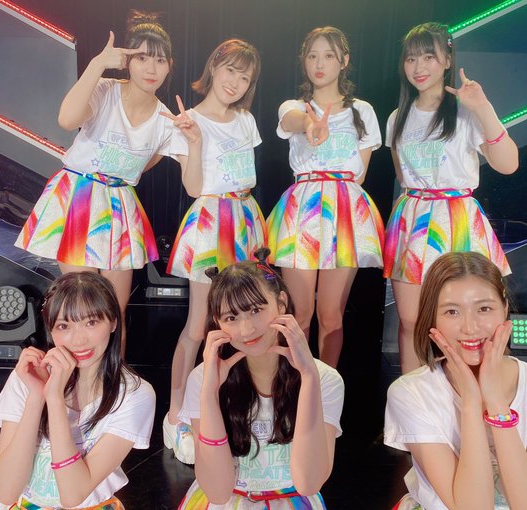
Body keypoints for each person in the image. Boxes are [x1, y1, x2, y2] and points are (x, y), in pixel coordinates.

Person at [15, 11, 174, 358]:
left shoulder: (167, 121)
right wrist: (98, 64)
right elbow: (67, 118)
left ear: (169, 66)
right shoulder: (105, 90)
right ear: (127, 61)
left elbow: (143, 165)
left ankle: (111, 383)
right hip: (79, 197)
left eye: (159, 60)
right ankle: (73, 384)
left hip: (119, 204)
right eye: (142, 57)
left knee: (114, 313)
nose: (150, 68)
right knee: (80, 308)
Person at [384, 251, 527, 510]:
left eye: (484, 309)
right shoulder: (411, 393)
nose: (470, 327)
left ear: (505, 309)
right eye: (451, 311)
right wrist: (471, 403)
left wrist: (496, 403)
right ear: (432, 318)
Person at [383, 22, 519, 374]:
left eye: (429, 57)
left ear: (447, 60)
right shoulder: (397, 117)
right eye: (411, 58)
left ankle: (473, 395)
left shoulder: (466, 110)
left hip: (457, 217)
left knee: (467, 322)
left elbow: (508, 164)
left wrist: (483, 107)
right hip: (413, 218)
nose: (419, 67)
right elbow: (401, 174)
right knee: (411, 322)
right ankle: (412, 398)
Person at [160, 38, 266, 464]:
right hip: (209, 221)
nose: (235, 82)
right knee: (199, 325)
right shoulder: (189, 120)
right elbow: (192, 188)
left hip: (246, 218)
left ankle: (231, 409)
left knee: (246, 320)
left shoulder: (246, 120)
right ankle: (176, 416)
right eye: (231, 71)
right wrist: (195, 140)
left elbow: (247, 176)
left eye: (245, 77)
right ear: (214, 67)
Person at [177, 248, 344, 508]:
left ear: (281, 303)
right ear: (217, 324)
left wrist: (309, 378)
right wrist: (209, 395)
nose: (246, 329)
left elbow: (308, 482)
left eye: (256, 310)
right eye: (231, 317)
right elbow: (218, 493)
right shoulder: (203, 379)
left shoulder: (325, 379)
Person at [0, 272, 156, 509]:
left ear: (113, 322)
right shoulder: (28, 377)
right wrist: (36, 397)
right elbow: (5, 492)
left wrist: (53, 399)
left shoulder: (134, 394)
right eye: (64, 326)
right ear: (50, 330)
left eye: (91, 322)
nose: (78, 340)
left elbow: (73, 495)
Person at [266, 26, 385, 368]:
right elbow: (291, 120)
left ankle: (328, 388)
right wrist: (309, 124)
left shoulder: (363, 111)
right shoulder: (294, 106)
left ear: (344, 61)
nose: (319, 64)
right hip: (302, 210)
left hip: (345, 212)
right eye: (312, 56)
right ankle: (293, 385)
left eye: (329, 55)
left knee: (331, 315)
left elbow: (360, 174)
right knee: (299, 314)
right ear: (303, 61)